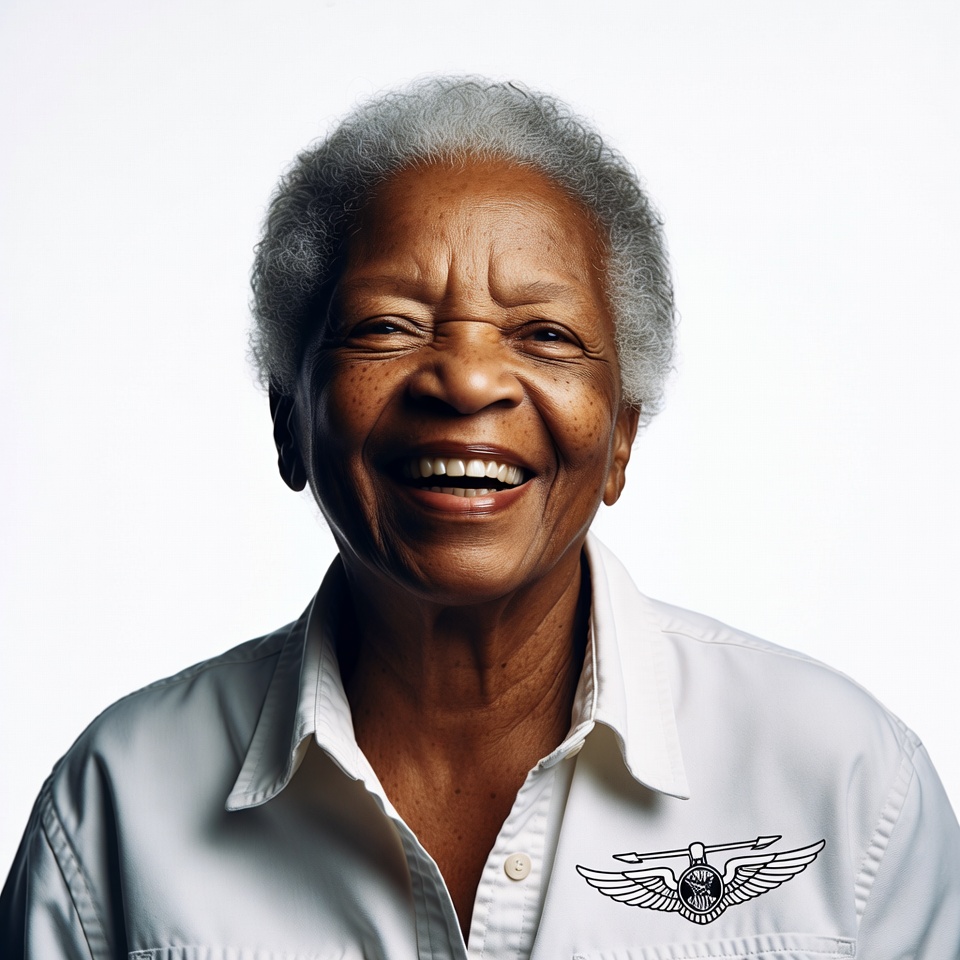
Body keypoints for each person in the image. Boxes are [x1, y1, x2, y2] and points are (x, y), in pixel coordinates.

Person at [2, 77, 958, 959]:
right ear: (289, 422)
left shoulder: (850, 787)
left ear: (621, 437)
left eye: (544, 334)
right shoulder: (115, 806)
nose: (465, 379)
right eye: (387, 325)